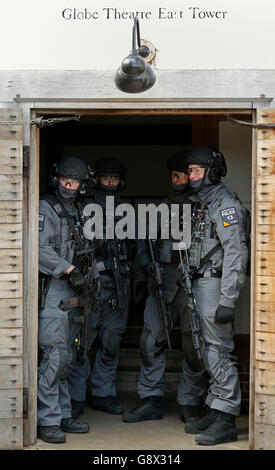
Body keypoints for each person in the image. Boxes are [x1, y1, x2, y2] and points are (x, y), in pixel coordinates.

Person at [123, 151, 208, 424]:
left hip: (193, 280)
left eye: (181, 174)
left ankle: (190, 401)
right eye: (173, 175)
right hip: (162, 277)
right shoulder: (162, 207)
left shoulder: (205, 205)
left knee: (194, 343)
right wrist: (147, 269)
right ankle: (150, 398)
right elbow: (144, 243)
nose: (177, 179)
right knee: (150, 340)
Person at [183, 146, 249, 445]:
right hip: (200, 284)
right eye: (190, 171)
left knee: (218, 350)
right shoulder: (202, 203)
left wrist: (228, 300)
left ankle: (226, 418)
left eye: (197, 171)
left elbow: (236, 253)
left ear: (213, 172)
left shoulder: (225, 205)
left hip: (216, 286)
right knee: (205, 349)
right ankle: (215, 405)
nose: (191, 176)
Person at [68, 157, 135, 418]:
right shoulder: (82, 207)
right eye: (105, 177)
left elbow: (137, 247)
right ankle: (75, 397)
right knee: (83, 342)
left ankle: (102, 394)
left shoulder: (127, 209)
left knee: (112, 342)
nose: (110, 182)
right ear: (96, 180)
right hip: (91, 285)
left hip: (118, 285)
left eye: (114, 178)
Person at [37, 156, 91, 443]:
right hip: (55, 287)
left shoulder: (79, 211)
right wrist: (68, 269)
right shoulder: (46, 207)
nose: (68, 187)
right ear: (55, 179)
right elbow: (39, 249)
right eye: (64, 181)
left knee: (68, 356)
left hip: (74, 291)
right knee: (54, 355)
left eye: (74, 183)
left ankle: (63, 414)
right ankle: (47, 420)